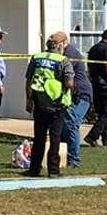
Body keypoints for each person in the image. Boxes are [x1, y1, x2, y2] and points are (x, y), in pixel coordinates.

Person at [23, 32, 74, 177]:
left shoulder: (36, 58)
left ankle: (34, 169)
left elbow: (28, 80)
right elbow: (69, 83)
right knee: (55, 138)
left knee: (39, 138)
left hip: (39, 104)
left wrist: (28, 100)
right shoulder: (63, 61)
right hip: (57, 105)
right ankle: (53, 171)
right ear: (61, 45)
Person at [61, 40, 92, 168]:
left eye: (57, 45)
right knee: (64, 124)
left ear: (64, 43)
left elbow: (63, 73)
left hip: (82, 94)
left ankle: (74, 160)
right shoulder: (62, 54)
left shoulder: (70, 54)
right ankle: (62, 157)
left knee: (71, 123)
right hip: (71, 95)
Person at [86, 28, 107, 147]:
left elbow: (89, 67)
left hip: (95, 84)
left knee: (102, 114)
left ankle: (106, 140)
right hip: (105, 85)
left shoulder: (93, 49)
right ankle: (92, 135)